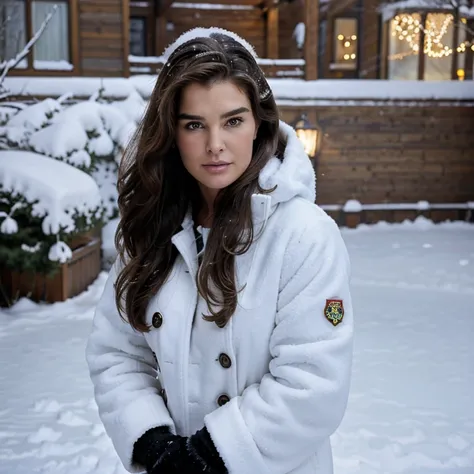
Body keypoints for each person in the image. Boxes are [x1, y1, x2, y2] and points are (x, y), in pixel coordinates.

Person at [86, 27, 354, 474]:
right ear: (171, 133)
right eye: (195, 124)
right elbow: (116, 353)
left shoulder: (304, 236)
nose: (215, 145)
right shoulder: (153, 228)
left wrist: (210, 457)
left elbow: (314, 382)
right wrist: (153, 444)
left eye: (233, 121)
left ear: (259, 124)